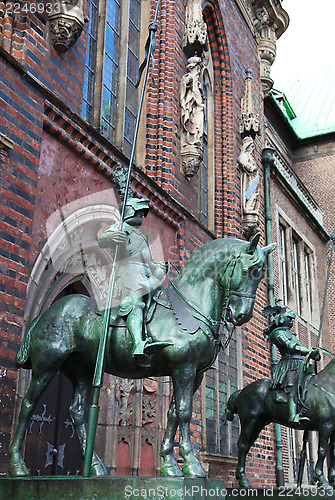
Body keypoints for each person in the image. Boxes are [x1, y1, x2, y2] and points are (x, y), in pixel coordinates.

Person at [98, 197, 169, 362]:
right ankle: (138, 344)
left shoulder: (143, 238)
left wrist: (160, 269)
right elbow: (103, 240)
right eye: (138, 212)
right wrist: (114, 236)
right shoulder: (121, 227)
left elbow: (149, 262)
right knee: (136, 301)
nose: (141, 217)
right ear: (130, 211)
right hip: (127, 272)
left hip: (144, 274)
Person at [263, 299, 319, 423]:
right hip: (289, 364)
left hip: (299, 363)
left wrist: (313, 354)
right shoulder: (278, 333)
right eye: (290, 319)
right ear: (282, 319)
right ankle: (293, 415)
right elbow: (290, 346)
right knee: (293, 386)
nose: (292, 322)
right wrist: (306, 350)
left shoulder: (291, 333)